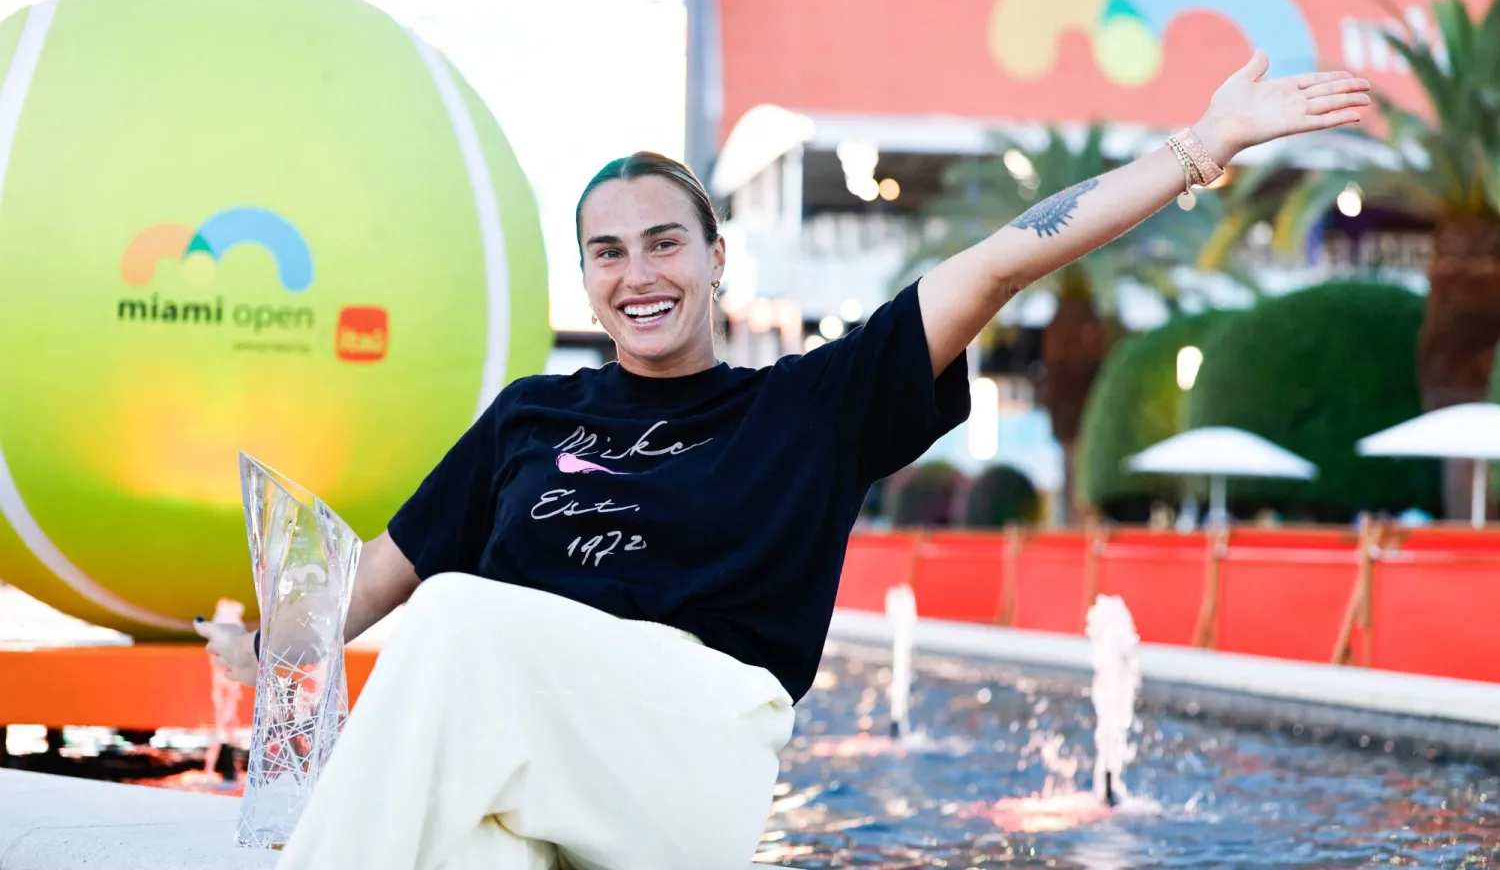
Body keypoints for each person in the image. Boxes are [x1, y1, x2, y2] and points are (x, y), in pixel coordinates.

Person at [198, 50, 1369, 870]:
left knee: (460, 617)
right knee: (472, 850)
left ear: (717, 257)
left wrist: (1197, 150)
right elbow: (380, 574)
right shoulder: (530, 416)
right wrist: (261, 650)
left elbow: (1001, 263)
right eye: (608, 253)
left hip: (690, 754)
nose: (638, 273)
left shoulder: (810, 402)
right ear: (586, 278)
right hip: (529, 745)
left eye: (665, 242)